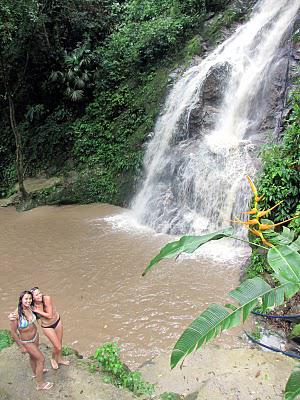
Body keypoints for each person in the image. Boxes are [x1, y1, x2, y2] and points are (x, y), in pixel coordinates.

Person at [9, 290, 54, 391]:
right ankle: (40, 384)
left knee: (33, 357)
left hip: (35, 337)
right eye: (26, 299)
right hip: (27, 342)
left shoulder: (30, 307)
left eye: (30, 299)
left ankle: (35, 373)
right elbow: (13, 332)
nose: (28, 300)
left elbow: (39, 297)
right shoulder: (15, 315)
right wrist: (21, 346)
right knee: (41, 359)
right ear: (21, 300)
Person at [29, 287, 70, 370]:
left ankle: (59, 359)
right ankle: (53, 359)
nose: (40, 295)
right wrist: (13, 316)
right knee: (57, 346)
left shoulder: (47, 298)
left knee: (59, 343)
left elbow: (50, 315)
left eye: (40, 293)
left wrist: (37, 311)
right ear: (32, 298)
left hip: (57, 321)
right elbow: (20, 308)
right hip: (47, 326)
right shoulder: (31, 306)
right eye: (37, 295)